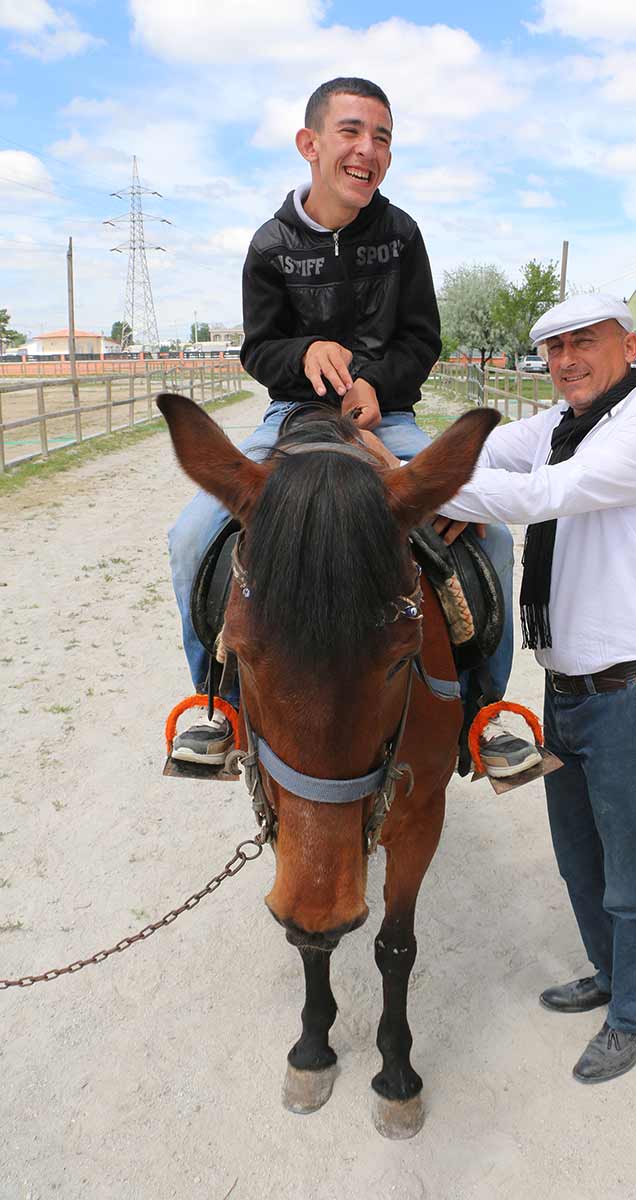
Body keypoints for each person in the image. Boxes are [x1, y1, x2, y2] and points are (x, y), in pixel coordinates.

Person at [167, 76, 535, 777]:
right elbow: (258, 348)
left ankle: (487, 711)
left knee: (491, 537)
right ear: (310, 144)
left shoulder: (402, 236)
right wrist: (304, 353)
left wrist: (376, 383)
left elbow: (421, 339)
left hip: (388, 418)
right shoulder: (269, 244)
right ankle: (219, 705)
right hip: (290, 418)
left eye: (383, 137)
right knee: (189, 536)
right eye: (352, 131)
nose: (369, 149)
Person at [436, 293, 636, 1083]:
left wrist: (418, 492)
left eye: (584, 343)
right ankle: (612, 975)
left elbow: (545, 495)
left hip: (634, 692)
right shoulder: (560, 426)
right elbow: (487, 454)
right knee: (579, 859)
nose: (565, 361)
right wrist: (426, 467)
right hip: (570, 689)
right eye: (552, 349)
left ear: (628, 343)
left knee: (632, 868)